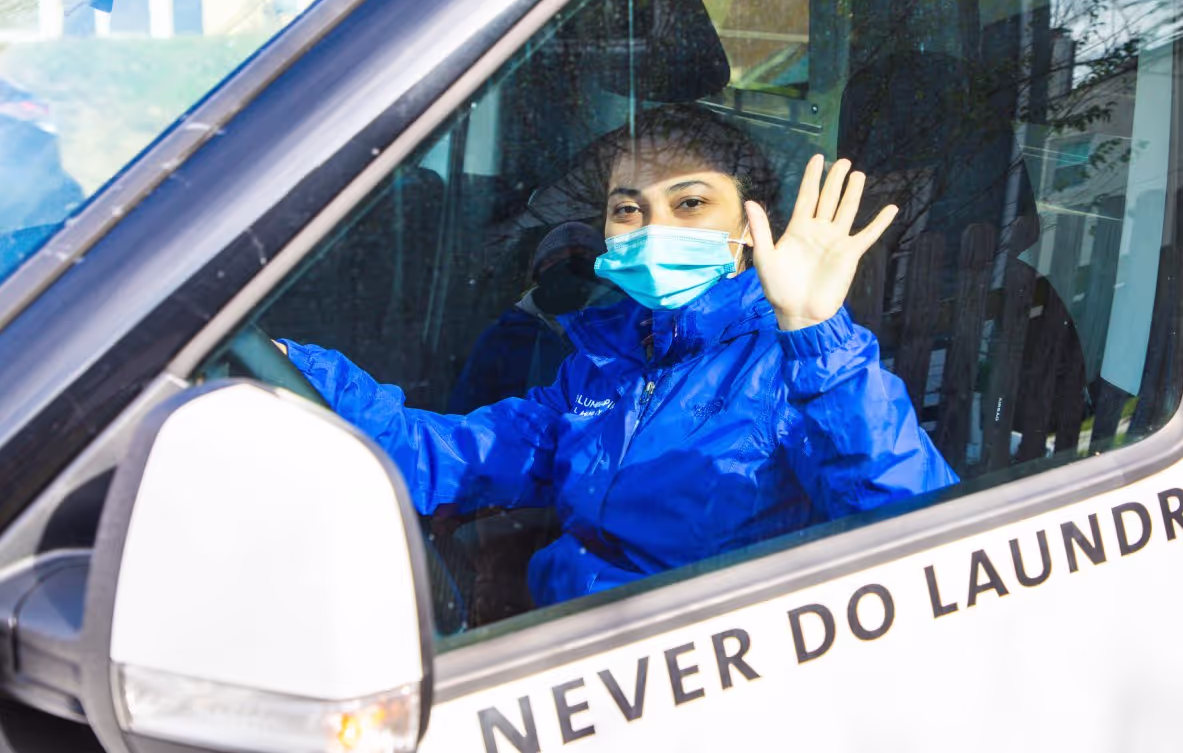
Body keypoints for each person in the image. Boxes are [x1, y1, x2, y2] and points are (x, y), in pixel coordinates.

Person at [281, 105, 957, 607]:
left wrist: (817, 334)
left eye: (690, 203)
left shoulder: (796, 368)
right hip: (562, 649)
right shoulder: (603, 363)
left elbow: (920, 536)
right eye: (628, 209)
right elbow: (449, 456)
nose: (654, 227)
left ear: (751, 229)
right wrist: (299, 370)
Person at [447, 222, 610, 413]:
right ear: (539, 271)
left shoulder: (615, 335)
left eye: (582, 258)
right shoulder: (503, 338)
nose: (570, 269)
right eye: (557, 259)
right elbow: (465, 415)